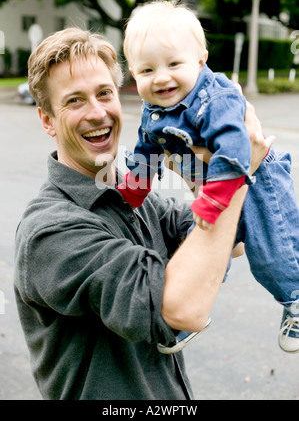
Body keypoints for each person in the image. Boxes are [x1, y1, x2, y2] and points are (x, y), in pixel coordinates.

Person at [14, 27, 270, 400]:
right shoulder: (50, 231)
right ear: (47, 119)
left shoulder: (135, 194)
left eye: (104, 93)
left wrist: (207, 172)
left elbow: (229, 243)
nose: (97, 113)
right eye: (74, 101)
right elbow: (182, 310)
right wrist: (233, 173)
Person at [116, 0, 299, 354]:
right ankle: (191, 311)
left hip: (258, 179)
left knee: (270, 251)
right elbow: (146, 153)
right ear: (133, 74)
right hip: (210, 187)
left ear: (200, 60)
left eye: (173, 64)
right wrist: (130, 195)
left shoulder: (214, 99)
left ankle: (295, 297)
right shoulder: (154, 112)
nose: (162, 77)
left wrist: (213, 201)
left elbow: (235, 147)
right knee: (197, 248)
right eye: (147, 70)